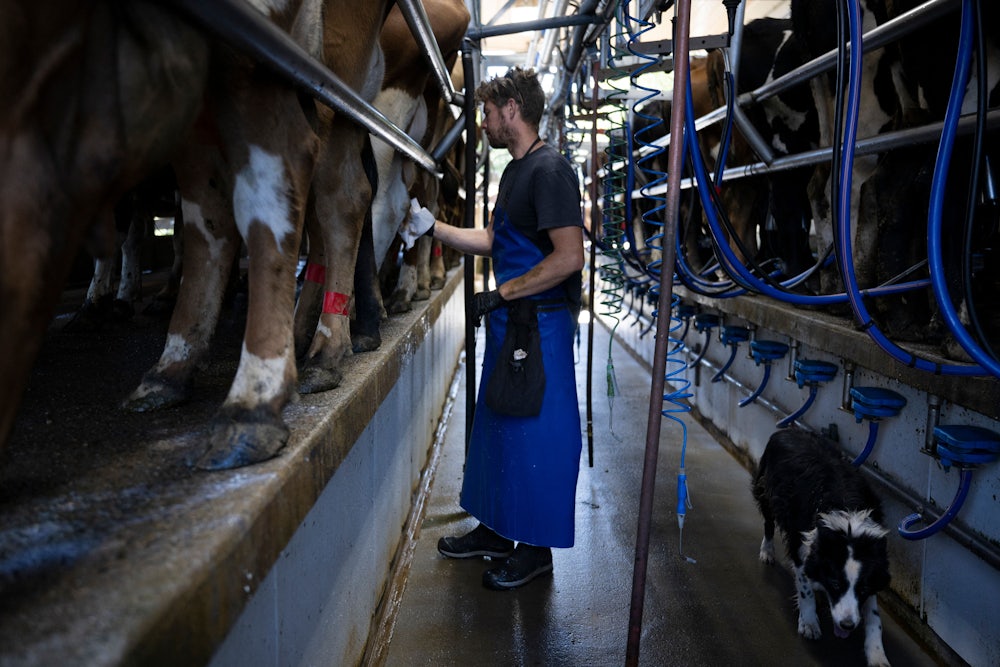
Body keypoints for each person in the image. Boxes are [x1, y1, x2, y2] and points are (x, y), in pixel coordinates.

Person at [424, 66, 585, 590]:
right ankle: (496, 530)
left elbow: (568, 258)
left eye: (488, 114)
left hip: (541, 328)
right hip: (509, 323)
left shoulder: (550, 171)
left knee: (540, 435)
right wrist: (433, 228)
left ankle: (535, 549)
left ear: (512, 108)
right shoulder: (515, 171)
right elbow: (496, 240)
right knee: (496, 431)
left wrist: (503, 293)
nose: (485, 124)